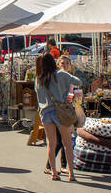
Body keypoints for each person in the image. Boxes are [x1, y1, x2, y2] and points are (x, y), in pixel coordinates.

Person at [35, 53, 82, 182]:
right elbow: (79, 82)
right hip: (60, 111)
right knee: (67, 143)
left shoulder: (38, 78)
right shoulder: (61, 74)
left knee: (51, 143)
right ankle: (71, 173)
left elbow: (38, 97)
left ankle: (53, 172)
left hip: (45, 112)